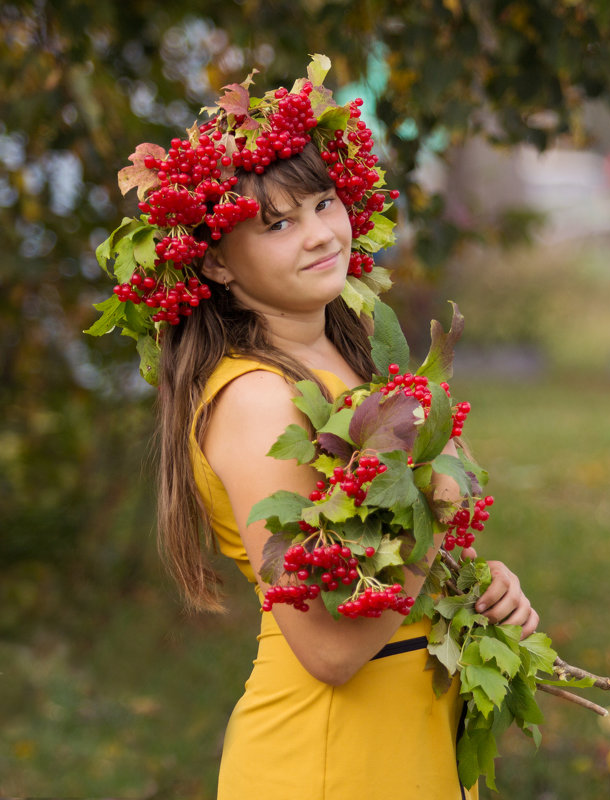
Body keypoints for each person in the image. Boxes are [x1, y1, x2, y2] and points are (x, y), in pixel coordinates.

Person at [95, 60, 537, 798]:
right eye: (277, 224)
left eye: (324, 203)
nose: (319, 235)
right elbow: (328, 647)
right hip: (327, 758)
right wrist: (438, 513)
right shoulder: (260, 399)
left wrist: (481, 584)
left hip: (402, 737)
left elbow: (389, 572)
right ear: (216, 264)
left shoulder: (355, 355)